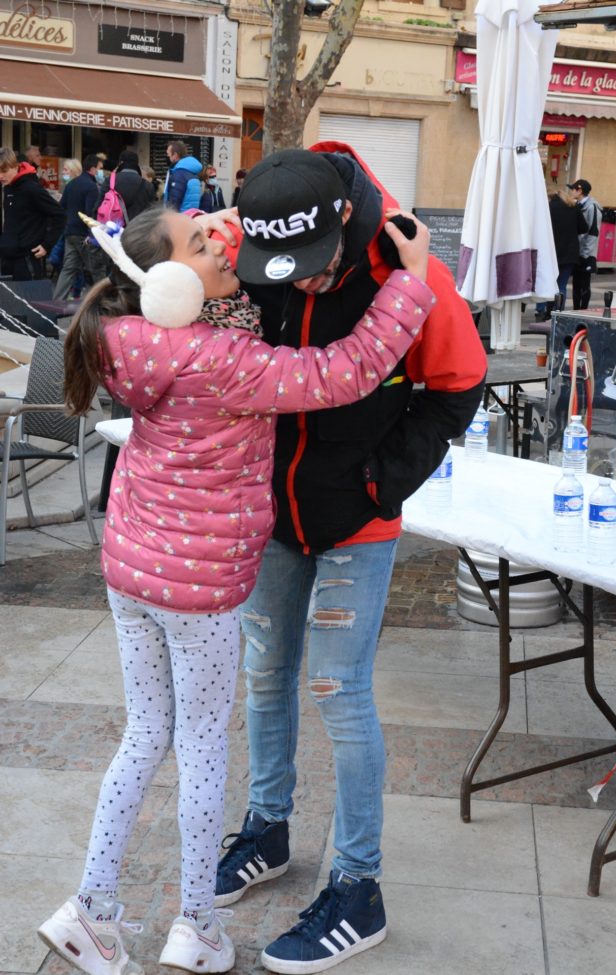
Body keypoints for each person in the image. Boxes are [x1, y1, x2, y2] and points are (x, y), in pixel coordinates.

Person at [37, 202, 435, 975]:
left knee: (144, 734)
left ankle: (90, 907)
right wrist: (411, 282)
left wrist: (220, 227)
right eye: (200, 242)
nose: (219, 243)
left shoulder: (130, 337)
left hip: (132, 573)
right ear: (169, 282)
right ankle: (196, 926)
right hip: (199, 592)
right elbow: (346, 370)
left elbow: (217, 295)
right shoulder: (223, 362)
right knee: (202, 748)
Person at [198, 146, 486, 974]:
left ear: (345, 226)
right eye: (282, 270)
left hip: (358, 519)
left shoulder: (410, 268)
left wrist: (377, 483)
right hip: (272, 515)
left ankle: (359, 886)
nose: (302, 283)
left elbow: (458, 389)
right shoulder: (248, 239)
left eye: (314, 267)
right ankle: (267, 829)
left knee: (340, 692)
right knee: (265, 675)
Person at [0, 147, 64, 279]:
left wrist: (47, 245)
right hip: (7, 258)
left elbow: (59, 215)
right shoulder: (7, 188)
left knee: (30, 293)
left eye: (4, 171)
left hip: (27, 260)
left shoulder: (32, 189)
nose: (1, 176)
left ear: (15, 166)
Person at [53, 154, 107, 300]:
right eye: (100, 168)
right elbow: (91, 213)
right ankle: (106, 301)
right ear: (93, 169)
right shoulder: (91, 187)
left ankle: (56, 301)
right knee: (96, 269)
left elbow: (61, 207)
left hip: (70, 232)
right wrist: (92, 235)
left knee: (68, 269)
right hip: (84, 235)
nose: (101, 172)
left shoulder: (71, 184)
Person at [534, 188, 585, 321]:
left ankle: (540, 311)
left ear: (550, 197)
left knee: (545, 282)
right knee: (561, 285)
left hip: (550, 252)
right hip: (569, 253)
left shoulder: (548, 208)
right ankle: (558, 312)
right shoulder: (574, 207)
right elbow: (584, 228)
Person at [569, 178, 602, 310]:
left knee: (584, 285)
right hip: (578, 252)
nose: (571, 191)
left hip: (587, 254)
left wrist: (585, 254)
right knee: (576, 284)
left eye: (573, 189)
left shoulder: (592, 207)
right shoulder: (577, 205)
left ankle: (583, 311)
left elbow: (593, 232)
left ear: (580, 190)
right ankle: (576, 310)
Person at [98, 149, 156, 222]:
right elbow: (152, 213)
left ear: (120, 163)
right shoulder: (148, 185)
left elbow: (99, 205)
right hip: (139, 227)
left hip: (113, 227)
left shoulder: (109, 181)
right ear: (137, 164)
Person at [164, 140, 203, 212]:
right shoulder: (192, 172)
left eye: (168, 155)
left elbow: (173, 204)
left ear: (175, 155)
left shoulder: (179, 174)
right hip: (190, 216)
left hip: (179, 217)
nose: (168, 157)